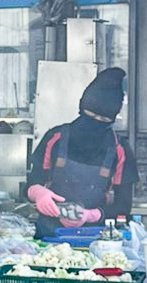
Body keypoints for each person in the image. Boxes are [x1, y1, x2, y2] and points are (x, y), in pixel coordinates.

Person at [27, 67, 139, 238]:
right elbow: (32, 182)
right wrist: (37, 192)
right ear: (81, 108)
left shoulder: (120, 150)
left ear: (112, 120)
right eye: (89, 115)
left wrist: (91, 215)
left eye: (103, 120)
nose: (94, 123)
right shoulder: (55, 138)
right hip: (48, 235)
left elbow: (123, 205)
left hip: (95, 238)